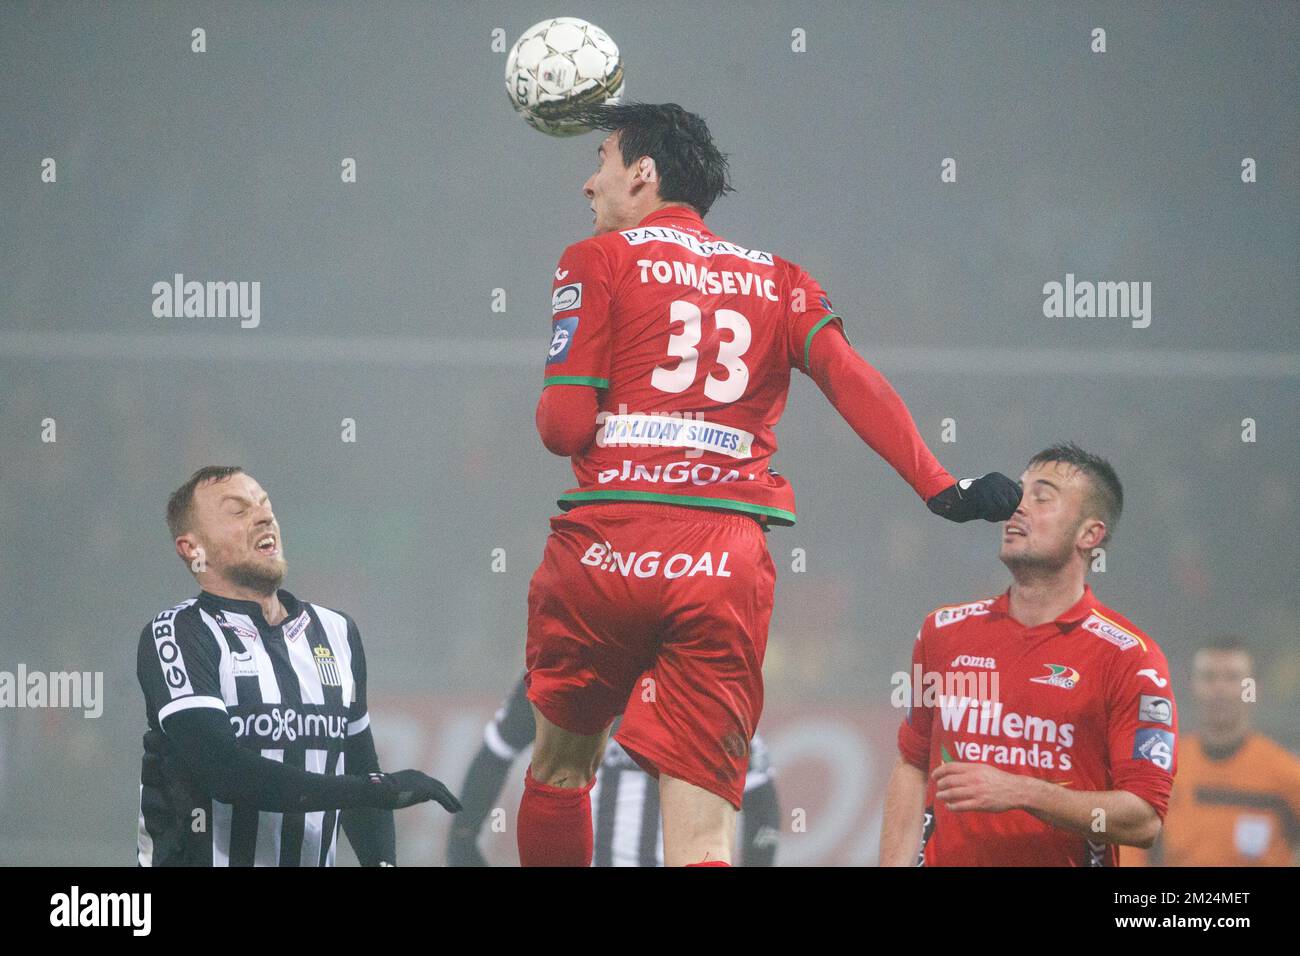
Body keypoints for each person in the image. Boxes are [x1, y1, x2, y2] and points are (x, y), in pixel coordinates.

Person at [520, 101, 1020, 867]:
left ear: (644, 175)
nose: (588, 186)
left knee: (560, 772)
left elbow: (562, 428)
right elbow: (852, 380)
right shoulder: (779, 278)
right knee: (704, 837)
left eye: (602, 163)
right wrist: (940, 485)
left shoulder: (595, 260)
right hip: (721, 561)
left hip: (606, 546)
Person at [136, 465, 460, 866]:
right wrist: (373, 789)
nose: (263, 515)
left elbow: (358, 764)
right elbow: (225, 771)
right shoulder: (177, 633)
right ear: (192, 549)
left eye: (264, 504)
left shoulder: (337, 631)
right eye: (238, 511)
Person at [879, 443, 1176, 866]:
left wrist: (1020, 790)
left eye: (1042, 497)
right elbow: (912, 763)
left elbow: (1144, 820)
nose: (1016, 507)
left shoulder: (1130, 658)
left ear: (1089, 535)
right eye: (1019, 493)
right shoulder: (943, 634)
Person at [448, 676, 780, 866]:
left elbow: (761, 803)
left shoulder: (701, 685)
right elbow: (494, 756)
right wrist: (462, 841)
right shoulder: (562, 670)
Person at [1125, 634, 1300, 866]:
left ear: (1254, 688)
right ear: (1192, 685)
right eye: (1209, 677)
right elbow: (1129, 847)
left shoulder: (1285, 774)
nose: (1220, 688)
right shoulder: (1162, 767)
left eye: (1232, 678)